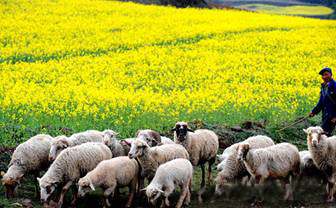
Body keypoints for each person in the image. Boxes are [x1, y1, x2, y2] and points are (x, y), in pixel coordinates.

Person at [309, 67, 336, 136]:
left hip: (333, 116)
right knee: (325, 135)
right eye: (323, 75)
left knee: (323, 134)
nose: (324, 77)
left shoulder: (335, 86)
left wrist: (335, 116)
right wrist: (313, 112)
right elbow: (321, 102)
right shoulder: (323, 87)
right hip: (326, 116)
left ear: (331, 74)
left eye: (326, 74)